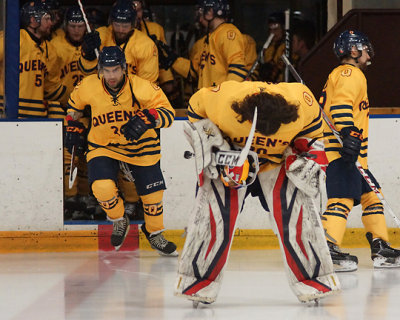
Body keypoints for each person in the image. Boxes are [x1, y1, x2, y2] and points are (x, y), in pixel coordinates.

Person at [174, 79, 340, 304]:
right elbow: (194, 111)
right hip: (233, 154)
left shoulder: (302, 102)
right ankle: (198, 282)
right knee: (213, 215)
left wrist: (304, 157)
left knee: (298, 214)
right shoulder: (224, 101)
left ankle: (314, 279)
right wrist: (212, 142)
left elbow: (314, 136)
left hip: (278, 159)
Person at [65, 46, 177, 255]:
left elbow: (168, 113)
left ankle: (154, 234)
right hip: (103, 145)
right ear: (100, 70)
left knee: (153, 197)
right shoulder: (88, 86)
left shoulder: (142, 87)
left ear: (124, 68)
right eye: (106, 70)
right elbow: (73, 109)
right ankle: (119, 218)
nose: (111, 75)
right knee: (102, 188)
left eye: (115, 70)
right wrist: (72, 124)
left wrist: (148, 117)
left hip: (141, 147)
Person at [320, 30, 400, 271]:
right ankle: (326, 248)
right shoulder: (349, 73)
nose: (368, 53)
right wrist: (349, 133)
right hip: (342, 152)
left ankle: (380, 246)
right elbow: (340, 105)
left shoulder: (346, 74)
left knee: (371, 196)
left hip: (353, 154)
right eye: (364, 48)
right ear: (353, 51)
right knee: (342, 198)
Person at [79, 1, 160, 220]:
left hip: (133, 111)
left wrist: (137, 115)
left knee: (131, 161)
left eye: (126, 24)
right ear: (111, 21)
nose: (121, 28)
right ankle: (103, 201)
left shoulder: (145, 45)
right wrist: (87, 54)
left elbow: (148, 85)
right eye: (117, 23)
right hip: (104, 107)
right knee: (100, 157)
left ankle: (133, 202)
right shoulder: (100, 35)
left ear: (134, 23)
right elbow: (87, 73)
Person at [50, 5, 98, 220]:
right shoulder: (55, 46)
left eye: (80, 26)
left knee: (90, 154)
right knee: (70, 153)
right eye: (72, 25)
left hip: (90, 110)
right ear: (65, 25)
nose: (77, 30)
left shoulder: (95, 47)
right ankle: (70, 199)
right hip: (65, 108)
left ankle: (86, 196)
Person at [159, 0, 247, 90]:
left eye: (201, 14)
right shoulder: (210, 37)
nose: (200, 20)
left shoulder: (228, 33)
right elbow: (195, 71)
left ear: (210, 12)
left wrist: (224, 97)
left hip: (219, 100)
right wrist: (174, 60)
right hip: (208, 99)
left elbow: (238, 70)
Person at [0, 0, 66, 118]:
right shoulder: (11, 38)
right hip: (7, 113)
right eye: (47, 19)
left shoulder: (50, 50)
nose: (51, 23)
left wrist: (75, 96)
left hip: (37, 116)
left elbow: (52, 87)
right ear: (33, 20)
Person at [259, 12, 285, 83]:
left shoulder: (289, 47)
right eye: (270, 30)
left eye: (276, 29)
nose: (273, 33)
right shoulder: (267, 49)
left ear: (283, 28)